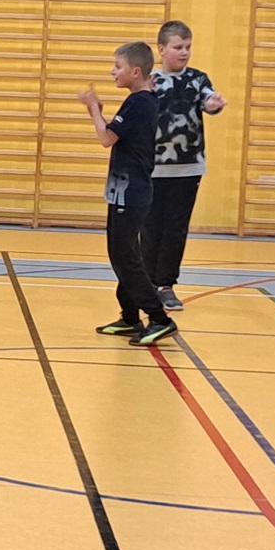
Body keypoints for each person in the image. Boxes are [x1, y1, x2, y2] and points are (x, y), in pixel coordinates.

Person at [78, 42, 177, 347]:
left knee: (125, 256)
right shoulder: (140, 101)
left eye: (117, 66)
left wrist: (94, 110)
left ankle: (159, 318)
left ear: (135, 72)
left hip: (131, 192)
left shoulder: (139, 103)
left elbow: (106, 138)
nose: (113, 71)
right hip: (124, 190)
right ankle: (130, 316)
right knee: (121, 254)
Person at [141, 20, 227, 311]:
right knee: (150, 227)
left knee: (175, 229)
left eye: (188, 47)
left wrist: (213, 104)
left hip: (188, 168)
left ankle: (166, 284)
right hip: (153, 168)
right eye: (178, 47)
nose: (185, 52)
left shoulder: (198, 79)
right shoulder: (151, 81)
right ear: (162, 49)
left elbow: (208, 100)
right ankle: (146, 283)